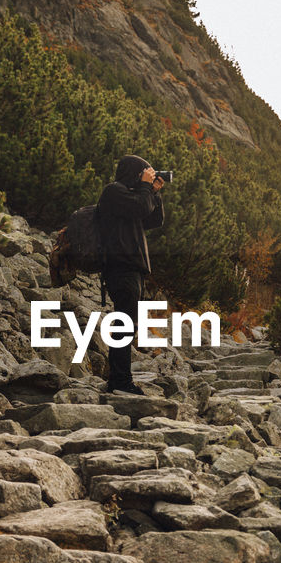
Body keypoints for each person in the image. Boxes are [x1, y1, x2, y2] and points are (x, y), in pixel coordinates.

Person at [96, 154, 165, 394]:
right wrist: (146, 187)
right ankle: (120, 381)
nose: (146, 176)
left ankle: (119, 378)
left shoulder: (133, 197)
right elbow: (139, 207)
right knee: (124, 323)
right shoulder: (114, 192)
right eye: (143, 172)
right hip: (120, 267)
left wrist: (154, 192)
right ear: (133, 173)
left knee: (128, 323)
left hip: (132, 268)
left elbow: (154, 219)